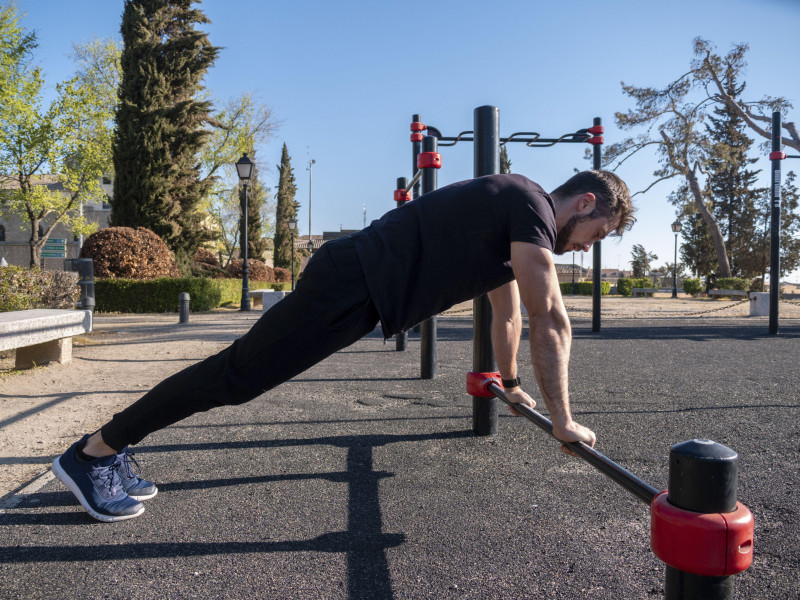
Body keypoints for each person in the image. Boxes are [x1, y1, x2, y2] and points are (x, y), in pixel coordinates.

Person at [53, 170, 635, 522]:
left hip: (357, 292)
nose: (587, 249)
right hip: (350, 283)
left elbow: (507, 308)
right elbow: (549, 316)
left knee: (236, 379)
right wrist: (565, 420)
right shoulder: (531, 208)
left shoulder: (515, 216)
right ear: (584, 203)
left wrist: (508, 383)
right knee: (233, 378)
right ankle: (93, 453)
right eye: (597, 235)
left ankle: (110, 448)